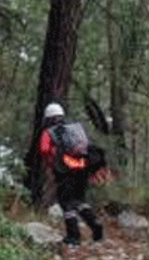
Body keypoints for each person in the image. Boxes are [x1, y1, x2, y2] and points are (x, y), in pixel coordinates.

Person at [38, 102, 104, 246]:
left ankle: (73, 237)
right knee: (80, 200)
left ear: (48, 118)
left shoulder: (49, 132)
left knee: (66, 203)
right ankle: (95, 226)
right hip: (82, 169)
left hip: (65, 172)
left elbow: (43, 149)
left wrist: (52, 164)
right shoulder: (75, 128)